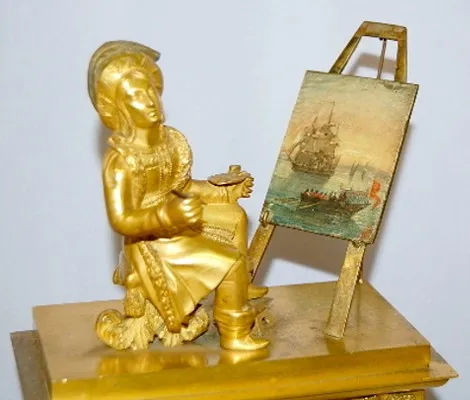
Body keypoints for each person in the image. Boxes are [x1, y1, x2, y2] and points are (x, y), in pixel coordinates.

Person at [88, 41, 268, 351]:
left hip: (175, 221)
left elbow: (185, 186)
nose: (149, 101)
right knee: (230, 262)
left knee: (235, 216)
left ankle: (242, 286)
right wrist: (166, 216)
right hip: (149, 241)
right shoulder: (121, 160)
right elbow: (121, 219)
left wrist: (224, 193)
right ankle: (234, 330)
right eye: (135, 96)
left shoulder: (170, 141)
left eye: (151, 91)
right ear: (118, 108)